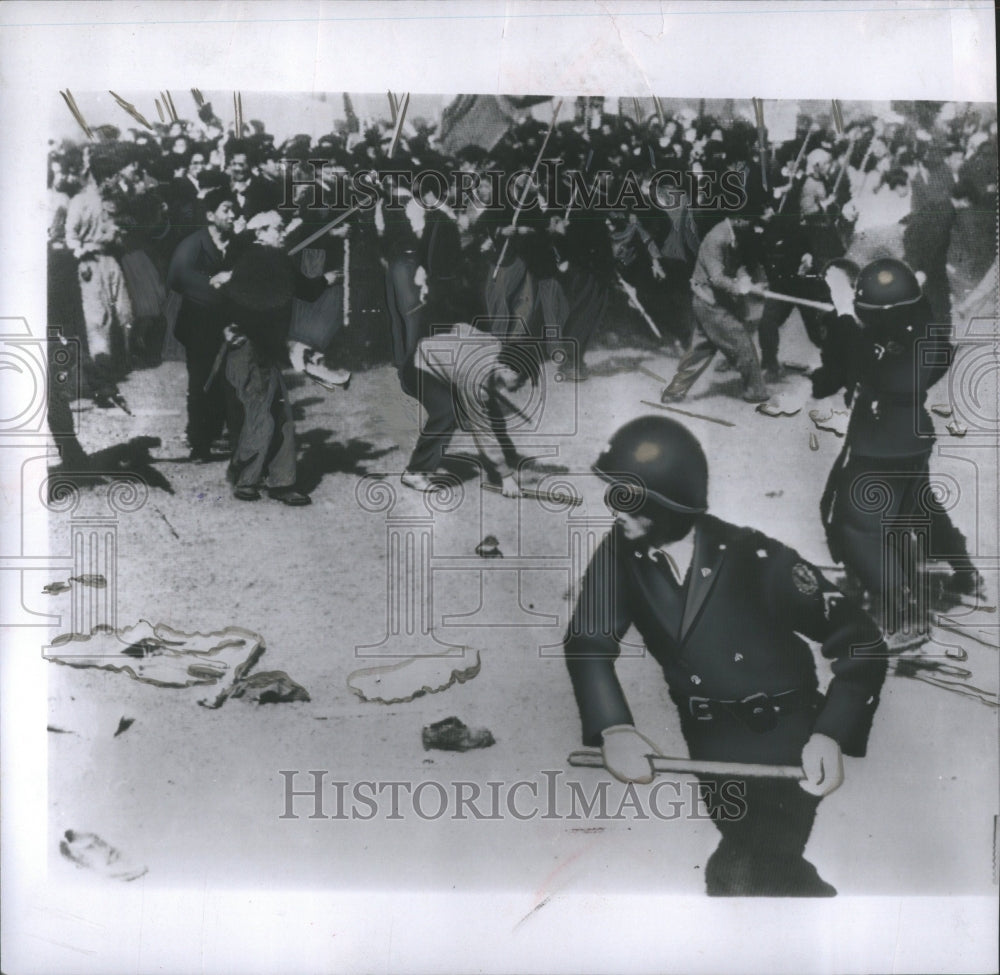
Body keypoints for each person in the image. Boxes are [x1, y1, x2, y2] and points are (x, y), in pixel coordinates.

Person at [564, 415, 888, 896]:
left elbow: (860, 640)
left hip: (783, 735)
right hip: (708, 739)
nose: (614, 509)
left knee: (758, 864)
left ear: (670, 504)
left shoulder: (754, 558)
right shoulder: (621, 555)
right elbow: (587, 642)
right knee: (746, 849)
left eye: (628, 499)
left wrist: (830, 734)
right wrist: (615, 729)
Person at [811, 258, 984, 624]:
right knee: (921, 505)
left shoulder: (870, 345)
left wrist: (844, 316)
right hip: (914, 438)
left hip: (881, 443)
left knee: (855, 524)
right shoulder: (923, 332)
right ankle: (966, 572)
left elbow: (849, 368)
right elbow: (925, 356)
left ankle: (903, 613)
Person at [216, 211, 343, 505]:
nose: (283, 233)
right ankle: (246, 477)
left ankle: (280, 481)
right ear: (261, 233)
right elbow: (302, 290)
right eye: (278, 228)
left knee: (279, 413)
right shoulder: (256, 260)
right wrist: (325, 280)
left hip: (264, 349)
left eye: (283, 227)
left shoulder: (270, 259)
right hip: (248, 349)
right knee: (262, 414)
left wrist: (325, 280)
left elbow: (303, 289)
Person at [400, 322, 541, 498]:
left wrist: (452, 354)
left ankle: (508, 455)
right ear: (506, 369)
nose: (521, 385)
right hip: (417, 367)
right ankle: (415, 472)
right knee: (447, 412)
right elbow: (482, 431)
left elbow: (460, 327)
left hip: (439, 358)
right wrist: (505, 476)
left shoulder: (495, 345)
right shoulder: (475, 382)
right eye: (520, 380)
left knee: (491, 408)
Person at [660, 207, 770, 404]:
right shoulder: (716, 238)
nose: (753, 225)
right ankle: (756, 392)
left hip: (714, 300)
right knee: (742, 342)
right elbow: (716, 278)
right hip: (709, 301)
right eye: (750, 220)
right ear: (737, 218)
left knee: (701, 350)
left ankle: (674, 391)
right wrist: (742, 288)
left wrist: (745, 279)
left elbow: (738, 264)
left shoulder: (737, 233)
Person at [167, 188, 239, 462]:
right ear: (210, 215)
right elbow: (177, 278)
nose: (232, 215)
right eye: (226, 210)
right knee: (201, 382)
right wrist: (214, 284)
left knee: (228, 380)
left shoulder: (237, 244)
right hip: (198, 324)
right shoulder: (194, 244)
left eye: (233, 210)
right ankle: (199, 443)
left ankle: (222, 434)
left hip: (229, 323)